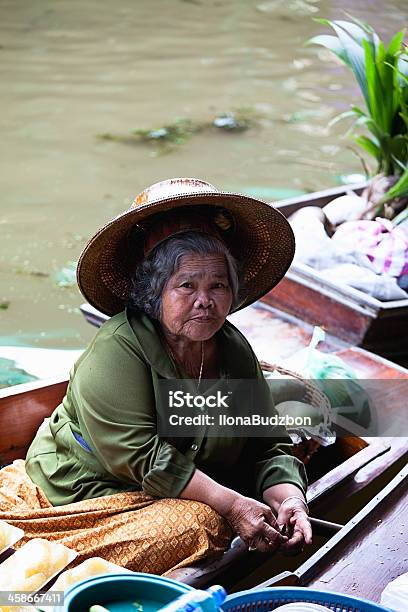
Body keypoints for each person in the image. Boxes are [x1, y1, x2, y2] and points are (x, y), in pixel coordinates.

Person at [1, 178, 311, 575]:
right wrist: (232, 504)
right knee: (202, 526)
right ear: (154, 292)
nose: (205, 300)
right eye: (186, 286)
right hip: (85, 492)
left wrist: (290, 501)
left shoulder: (234, 350)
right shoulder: (119, 346)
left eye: (218, 285)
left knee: (215, 512)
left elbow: (268, 446)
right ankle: (40, 567)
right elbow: (142, 457)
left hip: (169, 491)